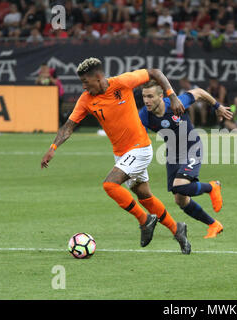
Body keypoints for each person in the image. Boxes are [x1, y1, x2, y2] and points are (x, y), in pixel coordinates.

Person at [40, 57, 191, 254]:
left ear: (99, 77)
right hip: (121, 154)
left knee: (109, 185)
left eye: (86, 82)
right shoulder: (86, 99)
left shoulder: (121, 83)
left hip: (140, 148)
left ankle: (145, 221)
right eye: (82, 83)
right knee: (144, 196)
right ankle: (177, 229)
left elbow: (154, 72)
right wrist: (53, 147)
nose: (84, 87)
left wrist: (172, 96)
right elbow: (68, 127)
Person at [139, 80, 233, 238]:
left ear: (161, 96)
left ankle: (212, 187)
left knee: (180, 186)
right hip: (173, 154)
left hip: (192, 148)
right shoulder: (144, 115)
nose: (146, 101)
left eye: (150, 96)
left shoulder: (175, 103)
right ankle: (214, 225)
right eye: (144, 96)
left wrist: (218, 107)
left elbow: (199, 92)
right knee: (180, 200)